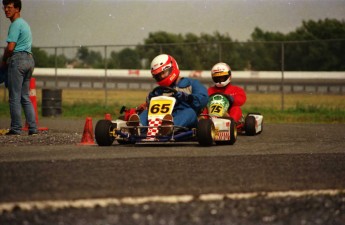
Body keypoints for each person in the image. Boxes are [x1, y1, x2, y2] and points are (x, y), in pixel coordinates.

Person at [129, 54, 208, 135]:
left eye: (164, 73)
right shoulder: (158, 91)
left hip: (185, 117)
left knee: (189, 112)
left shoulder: (191, 84)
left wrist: (187, 97)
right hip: (161, 118)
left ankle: (169, 127)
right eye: (158, 76)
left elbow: (203, 99)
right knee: (147, 112)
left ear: (172, 67)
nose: (162, 76)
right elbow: (150, 103)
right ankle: (137, 127)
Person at [1, 0, 37, 135]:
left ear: (17, 9)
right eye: (4, 7)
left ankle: (16, 128)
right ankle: (33, 128)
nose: (6, 10)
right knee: (25, 96)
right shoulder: (25, 24)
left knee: (14, 97)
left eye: (9, 7)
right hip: (29, 60)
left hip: (18, 60)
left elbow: (10, 48)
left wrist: (4, 60)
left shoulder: (15, 25)